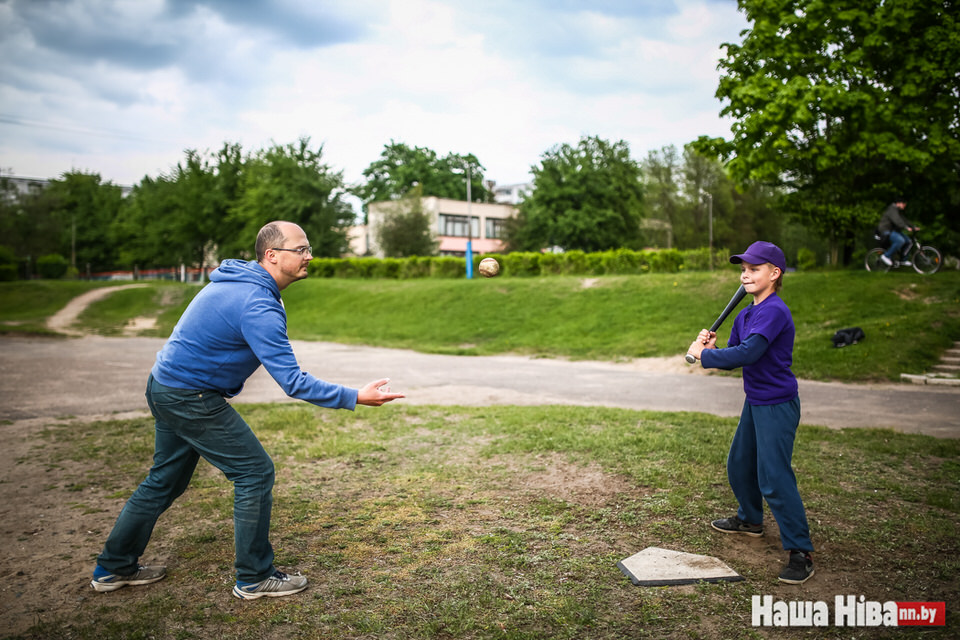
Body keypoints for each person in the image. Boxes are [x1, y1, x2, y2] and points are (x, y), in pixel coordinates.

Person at [91, 221, 405, 600]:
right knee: (254, 473)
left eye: (308, 248)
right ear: (272, 255)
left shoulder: (239, 284)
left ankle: (113, 568)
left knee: (164, 481)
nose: (309, 256)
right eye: (300, 249)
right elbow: (294, 382)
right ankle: (255, 577)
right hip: (190, 396)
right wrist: (356, 396)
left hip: (164, 385)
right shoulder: (256, 302)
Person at [686, 241, 814, 585]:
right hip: (755, 400)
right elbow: (736, 354)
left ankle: (800, 551)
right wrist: (713, 349)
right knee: (740, 463)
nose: (746, 274)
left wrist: (702, 356)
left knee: (773, 477)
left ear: (774, 274)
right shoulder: (746, 314)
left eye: (754, 269)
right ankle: (750, 520)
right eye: (743, 269)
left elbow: (750, 353)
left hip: (777, 403)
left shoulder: (774, 310)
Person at [877, 200, 916, 267]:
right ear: (898, 203)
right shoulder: (892, 210)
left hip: (893, 231)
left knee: (909, 241)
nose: (904, 206)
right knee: (900, 240)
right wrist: (906, 227)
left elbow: (903, 219)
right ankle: (886, 256)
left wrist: (913, 226)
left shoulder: (897, 210)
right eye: (903, 204)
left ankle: (903, 260)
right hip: (886, 230)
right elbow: (897, 221)